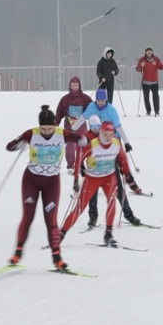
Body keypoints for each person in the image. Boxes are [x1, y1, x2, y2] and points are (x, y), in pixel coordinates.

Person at [4, 105, 81, 271]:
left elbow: (79, 138)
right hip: (31, 181)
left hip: (51, 183)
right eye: (43, 128)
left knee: (51, 220)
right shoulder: (32, 133)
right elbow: (9, 146)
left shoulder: (62, 134)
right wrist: (20, 144)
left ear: (54, 125)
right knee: (28, 216)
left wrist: (85, 139)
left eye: (49, 128)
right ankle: (18, 252)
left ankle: (57, 257)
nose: (46, 132)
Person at [59, 120, 139, 247]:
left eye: (110, 135)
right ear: (100, 133)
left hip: (109, 178)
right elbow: (79, 158)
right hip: (92, 179)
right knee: (79, 208)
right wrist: (77, 175)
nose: (107, 138)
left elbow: (123, 160)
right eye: (105, 134)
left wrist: (127, 175)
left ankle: (108, 234)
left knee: (112, 203)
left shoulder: (116, 144)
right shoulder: (93, 145)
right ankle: (61, 234)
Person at [80, 89, 135, 228]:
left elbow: (119, 128)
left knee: (119, 189)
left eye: (102, 100)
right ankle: (93, 217)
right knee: (92, 191)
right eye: (98, 100)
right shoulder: (89, 135)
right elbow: (81, 152)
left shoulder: (111, 111)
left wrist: (126, 142)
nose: (100, 102)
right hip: (95, 165)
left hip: (110, 159)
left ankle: (128, 214)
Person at [54, 76, 92, 170]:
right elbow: (59, 112)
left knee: (84, 144)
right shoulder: (65, 99)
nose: (74, 87)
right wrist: (56, 123)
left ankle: (83, 163)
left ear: (79, 86)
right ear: (70, 86)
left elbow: (93, 110)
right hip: (69, 126)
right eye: (72, 85)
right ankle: (71, 164)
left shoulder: (85, 98)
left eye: (76, 85)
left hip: (82, 126)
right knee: (70, 145)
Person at [135, 47, 163, 116]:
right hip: (145, 82)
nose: (149, 53)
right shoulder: (142, 59)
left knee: (156, 97)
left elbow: (160, 67)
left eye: (150, 51)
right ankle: (148, 111)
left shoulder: (156, 59)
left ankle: (157, 111)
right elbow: (137, 69)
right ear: (145, 52)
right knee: (146, 98)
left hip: (154, 82)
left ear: (152, 52)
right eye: (148, 51)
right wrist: (141, 66)